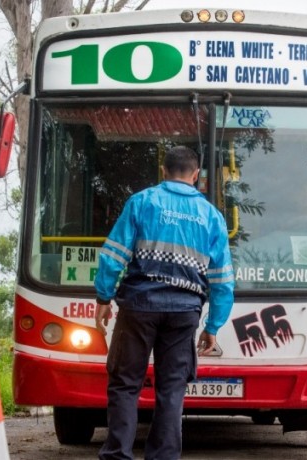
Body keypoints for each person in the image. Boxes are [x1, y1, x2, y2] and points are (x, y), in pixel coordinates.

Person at [94, 145, 235, 460]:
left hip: (138, 307)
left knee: (125, 384)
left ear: (163, 171)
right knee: (172, 389)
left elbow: (113, 256)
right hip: (184, 313)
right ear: (196, 175)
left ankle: (117, 454)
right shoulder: (211, 216)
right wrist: (212, 326)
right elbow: (223, 281)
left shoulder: (142, 202)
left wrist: (104, 296)